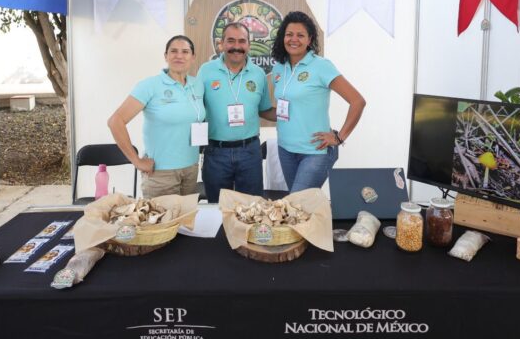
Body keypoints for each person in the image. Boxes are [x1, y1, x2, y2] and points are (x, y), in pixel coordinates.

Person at [269, 11, 366, 192]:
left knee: (298, 203)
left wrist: (339, 137)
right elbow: (286, 109)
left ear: (309, 39)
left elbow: (357, 101)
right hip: (285, 149)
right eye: (289, 34)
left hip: (315, 152)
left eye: (300, 35)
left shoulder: (321, 66)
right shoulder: (279, 68)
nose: (294, 39)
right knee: (301, 207)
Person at [108, 35, 206, 198]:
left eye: (185, 52)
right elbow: (115, 121)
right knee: (161, 223)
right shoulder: (150, 86)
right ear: (165, 56)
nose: (179, 56)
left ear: (193, 57)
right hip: (161, 174)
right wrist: (136, 161)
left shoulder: (197, 85)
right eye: (173, 51)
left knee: (187, 222)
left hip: (190, 169)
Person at [198, 22, 275, 202]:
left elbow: (264, 110)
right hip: (216, 152)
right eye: (231, 41)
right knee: (217, 209)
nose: (236, 47)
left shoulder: (258, 74)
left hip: (250, 151)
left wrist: (294, 113)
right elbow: (196, 110)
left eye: (242, 41)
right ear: (221, 43)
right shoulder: (206, 71)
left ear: (248, 44)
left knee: (252, 208)